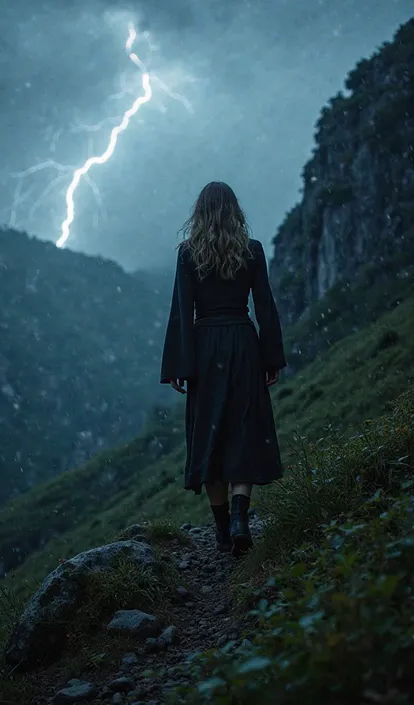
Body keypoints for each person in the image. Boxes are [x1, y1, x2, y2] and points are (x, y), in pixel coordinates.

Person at [160, 181, 286, 557]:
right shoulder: (252, 251)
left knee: (208, 434)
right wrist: (271, 357)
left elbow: (181, 312)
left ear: (199, 213)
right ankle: (239, 520)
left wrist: (178, 367)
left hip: (204, 348)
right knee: (243, 429)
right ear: (235, 211)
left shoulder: (187, 254)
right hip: (243, 344)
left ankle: (221, 531)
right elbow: (264, 306)